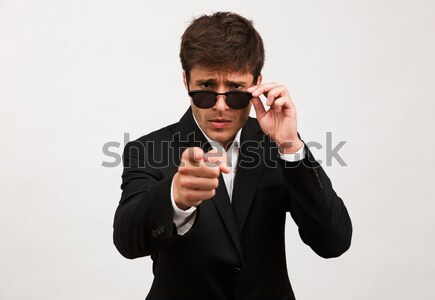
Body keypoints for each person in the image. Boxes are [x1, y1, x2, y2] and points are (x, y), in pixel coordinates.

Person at [113, 11, 352, 300]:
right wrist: (175, 197)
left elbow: (333, 241)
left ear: (257, 84)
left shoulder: (276, 145)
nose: (221, 107)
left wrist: (290, 146)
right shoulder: (148, 150)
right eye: (206, 89)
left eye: (237, 90)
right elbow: (127, 241)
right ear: (186, 81)